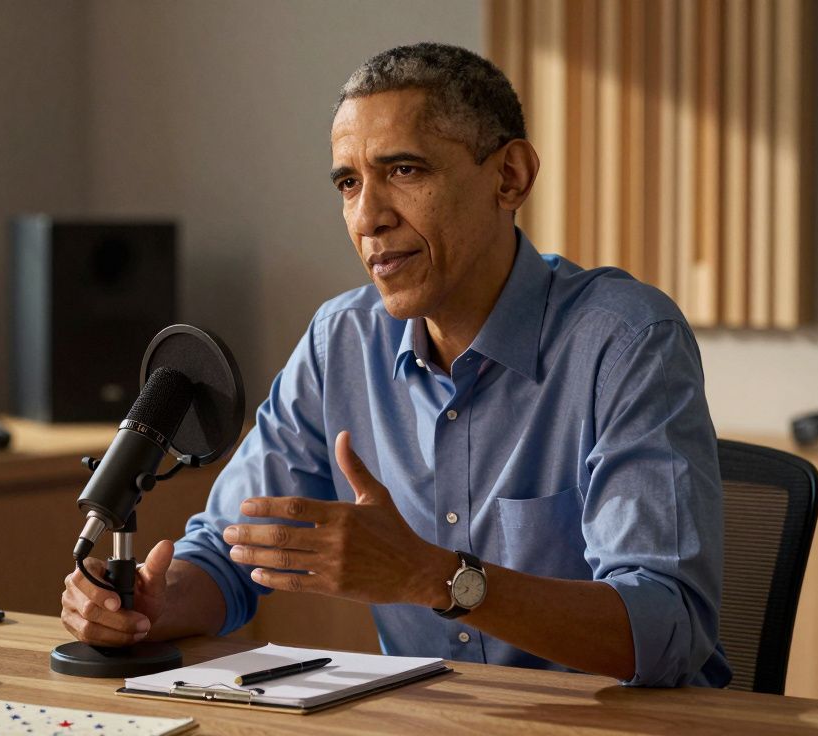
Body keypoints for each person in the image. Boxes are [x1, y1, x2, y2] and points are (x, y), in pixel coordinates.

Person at [62, 42, 731, 688]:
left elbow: (666, 626)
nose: (367, 217)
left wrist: (433, 577)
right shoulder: (342, 339)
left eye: (405, 172)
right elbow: (231, 551)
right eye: (349, 183)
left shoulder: (626, 339)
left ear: (510, 176)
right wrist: (151, 602)